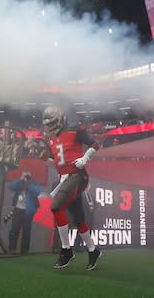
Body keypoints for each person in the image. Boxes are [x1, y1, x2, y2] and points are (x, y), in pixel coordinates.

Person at [39, 105, 102, 270]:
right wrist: (45, 160)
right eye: (47, 124)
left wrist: (85, 158)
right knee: (78, 218)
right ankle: (93, 251)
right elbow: (60, 164)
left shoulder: (75, 130)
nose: (49, 128)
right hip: (65, 178)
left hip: (78, 175)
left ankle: (66, 250)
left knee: (56, 207)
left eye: (52, 124)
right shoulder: (50, 140)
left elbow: (96, 143)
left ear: (60, 121)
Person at [7, 169, 41, 255]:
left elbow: (37, 192)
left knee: (26, 230)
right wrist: (21, 179)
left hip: (28, 211)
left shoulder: (33, 183)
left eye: (27, 176)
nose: (26, 177)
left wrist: (28, 183)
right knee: (14, 229)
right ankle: (12, 248)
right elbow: (11, 187)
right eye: (24, 175)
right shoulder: (19, 182)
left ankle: (25, 250)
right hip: (18, 209)